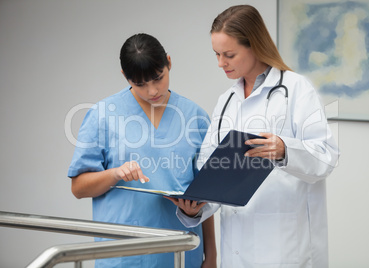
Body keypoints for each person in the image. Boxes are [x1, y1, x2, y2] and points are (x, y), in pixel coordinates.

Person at [166, 5, 340, 268]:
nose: (220, 63)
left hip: (285, 247)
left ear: (254, 45)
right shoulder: (226, 101)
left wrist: (284, 151)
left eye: (229, 55)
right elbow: (210, 171)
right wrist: (196, 208)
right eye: (216, 54)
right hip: (235, 248)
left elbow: (326, 157)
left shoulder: (296, 90)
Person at [68, 33, 217, 268]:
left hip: (182, 253)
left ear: (169, 62)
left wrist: (212, 257)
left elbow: (208, 194)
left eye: (158, 78)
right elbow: (78, 187)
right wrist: (114, 174)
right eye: (140, 84)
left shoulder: (195, 117)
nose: (152, 91)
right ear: (125, 77)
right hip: (123, 256)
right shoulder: (103, 115)